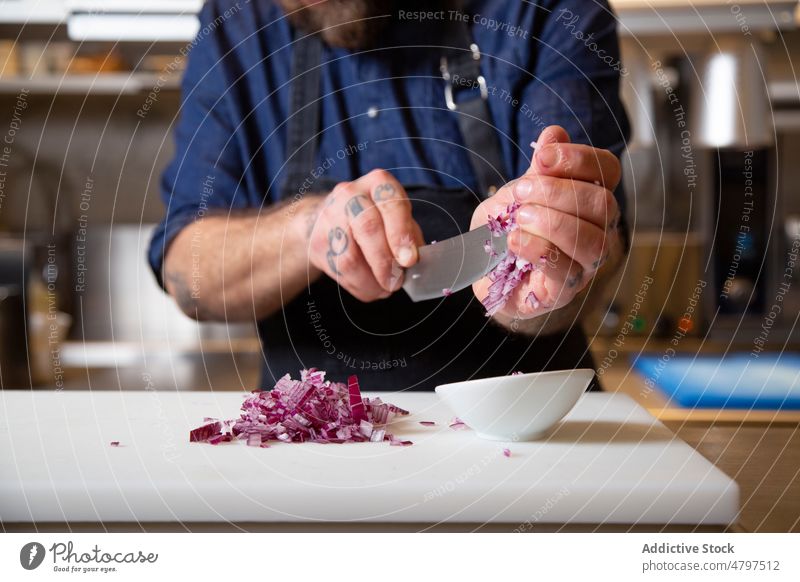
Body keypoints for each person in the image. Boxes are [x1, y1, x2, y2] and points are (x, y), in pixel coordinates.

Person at [148, 0, 630, 390]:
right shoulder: (237, 25)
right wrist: (306, 230)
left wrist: (549, 262)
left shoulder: (545, 10)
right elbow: (188, 274)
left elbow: (594, 237)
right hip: (309, 450)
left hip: (533, 436)